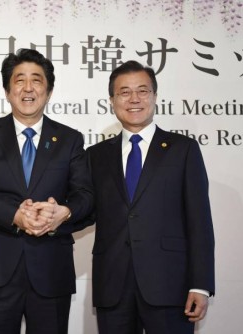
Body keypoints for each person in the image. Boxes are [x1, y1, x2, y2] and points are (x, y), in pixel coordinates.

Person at [0, 48, 94, 334]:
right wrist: (13, 215)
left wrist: (63, 213)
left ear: (49, 91)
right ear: (7, 90)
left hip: (51, 268)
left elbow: (86, 196)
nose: (28, 88)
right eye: (19, 80)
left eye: (37, 80)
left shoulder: (69, 140)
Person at [87, 60, 215, 334]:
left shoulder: (183, 150)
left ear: (155, 96)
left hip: (170, 284)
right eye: (124, 92)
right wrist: (56, 213)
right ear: (111, 100)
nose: (134, 99)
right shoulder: (95, 156)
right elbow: (85, 209)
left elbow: (200, 221)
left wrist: (200, 284)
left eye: (142, 91)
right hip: (113, 286)